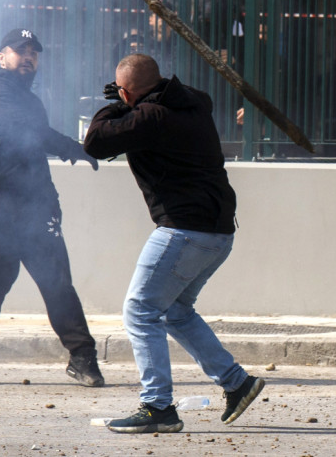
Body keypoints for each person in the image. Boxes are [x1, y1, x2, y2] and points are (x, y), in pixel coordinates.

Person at [83, 53, 264, 433]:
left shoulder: (152, 117)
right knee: (174, 311)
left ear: (128, 90)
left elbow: (95, 141)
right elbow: (172, 100)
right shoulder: (193, 101)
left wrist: (116, 104)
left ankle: (157, 406)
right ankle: (237, 383)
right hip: (218, 232)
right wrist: (128, 98)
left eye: (122, 92)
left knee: (140, 311)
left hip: (183, 230)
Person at [0, 27, 104, 388]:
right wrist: (75, 147)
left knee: (57, 281)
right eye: (20, 50)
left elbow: (35, 136)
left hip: (35, 201)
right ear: (1, 56)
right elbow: (28, 131)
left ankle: (83, 358)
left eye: (33, 53)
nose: (28, 57)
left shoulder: (32, 99)